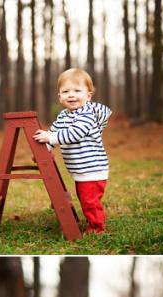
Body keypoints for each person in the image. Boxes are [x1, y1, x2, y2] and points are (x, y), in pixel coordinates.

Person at [34, 68, 112, 233]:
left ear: (88, 96)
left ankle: (98, 227)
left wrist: (50, 138)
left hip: (92, 168)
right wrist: (45, 148)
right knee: (85, 198)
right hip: (80, 170)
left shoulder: (87, 115)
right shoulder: (64, 116)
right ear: (59, 96)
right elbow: (55, 131)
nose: (71, 95)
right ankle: (93, 221)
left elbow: (74, 134)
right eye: (66, 91)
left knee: (90, 201)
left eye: (77, 91)